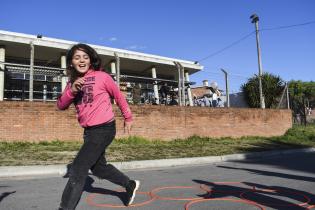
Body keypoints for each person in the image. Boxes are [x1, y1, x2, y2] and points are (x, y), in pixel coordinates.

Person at [56, 43, 140, 210]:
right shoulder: (72, 82)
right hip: (89, 132)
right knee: (98, 167)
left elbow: (119, 97)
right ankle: (129, 184)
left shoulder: (102, 76)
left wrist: (128, 117)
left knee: (78, 169)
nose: (81, 61)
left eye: (85, 57)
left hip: (104, 128)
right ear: (71, 62)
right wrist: (72, 90)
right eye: (77, 57)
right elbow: (60, 105)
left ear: (90, 60)